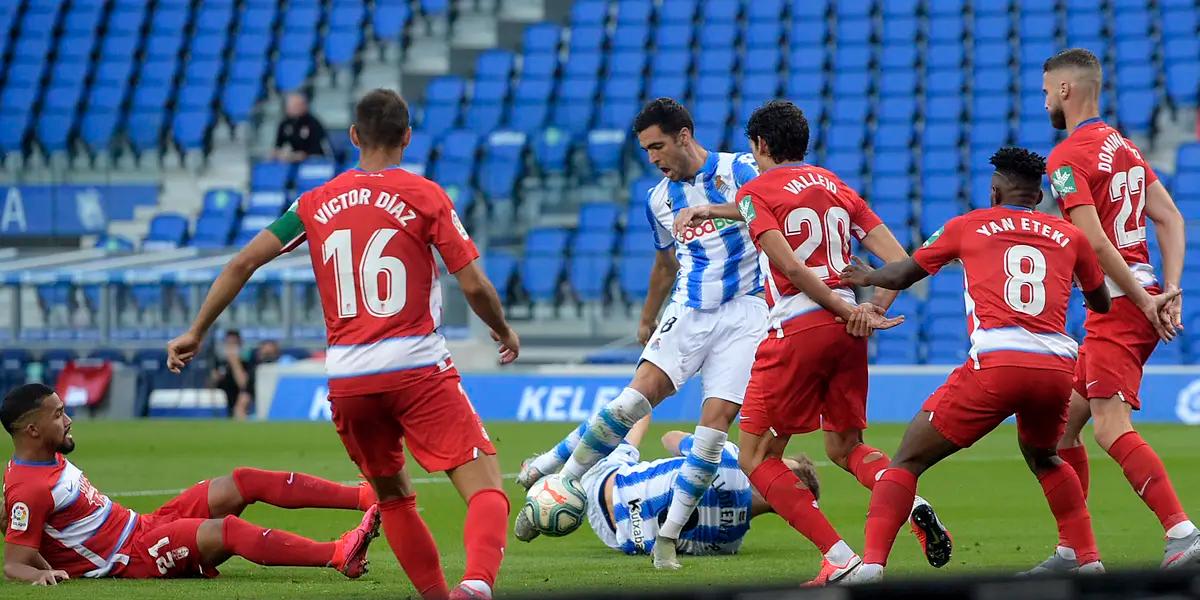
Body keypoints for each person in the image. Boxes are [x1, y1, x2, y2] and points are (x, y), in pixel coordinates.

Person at [166, 89, 519, 600]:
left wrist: (196, 331)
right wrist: (503, 330)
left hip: (349, 379)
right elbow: (473, 285)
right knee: (487, 485)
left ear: (354, 137)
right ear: (408, 138)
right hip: (416, 365)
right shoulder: (426, 195)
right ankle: (476, 586)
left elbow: (242, 262)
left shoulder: (313, 202)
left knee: (395, 499)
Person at [674, 100, 944, 585]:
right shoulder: (836, 187)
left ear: (760, 145)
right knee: (844, 448)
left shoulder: (758, 188)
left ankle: (838, 557)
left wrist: (847, 310)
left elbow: (792, 269)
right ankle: (911, 500)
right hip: (848, 332)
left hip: (798, 329)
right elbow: (902, 260)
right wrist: (868, 310)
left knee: (757, 458)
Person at [838, 147, 1114, 583]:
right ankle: (1089, 559)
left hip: (998, 361)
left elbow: (904, 273)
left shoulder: (969, 225)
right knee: (1045, 456)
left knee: (907, 459)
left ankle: (870, 568)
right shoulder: (1069, 235)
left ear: (994, 189)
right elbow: (1102, 301)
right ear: (1039, 193)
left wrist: (866, 277)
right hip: (1058, 367)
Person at [517, 97, 767, 571]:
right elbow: (664, 263)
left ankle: (667, 541)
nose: (653, 159)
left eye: (658, 147)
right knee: (634, 402)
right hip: (689, 310)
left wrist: (714, 210)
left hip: (746, 312)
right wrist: (647, 317)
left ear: (684, 137)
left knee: (711, 434)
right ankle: (559, 476)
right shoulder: (658, 199)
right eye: (647, 151)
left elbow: (769, 208)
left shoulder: (741, 169)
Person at [1035, 48, 1197, 572]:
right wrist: (1168, 288)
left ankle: (1182, 534)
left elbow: (1096, 242)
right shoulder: (1125, 147)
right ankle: (1073, 551)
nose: (1043, 102)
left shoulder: (1065, 159)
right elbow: (1171, 218)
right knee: (1062, 428)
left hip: (1122, 304)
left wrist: (1145, 298)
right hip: (1141, 295)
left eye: (1044, 92)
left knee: (1108, 426)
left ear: (1064, 89)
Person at [1, 384, 379, 585]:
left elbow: (19, 524)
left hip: (143, 525)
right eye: (58, 414)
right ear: (32, 429)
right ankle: (337, 554)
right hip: (132, 557)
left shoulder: (40, 460)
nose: (68, 419)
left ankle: (366, 496)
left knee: (242, 481)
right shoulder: (31, 487)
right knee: (224, 531)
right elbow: (14, 563)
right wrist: (42, 572)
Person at [518, 416, 820, 558]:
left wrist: (696, 454)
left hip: (608, 481)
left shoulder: (729, 459)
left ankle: (542, 474)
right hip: (618, 535)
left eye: (780, 464)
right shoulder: (729, 546)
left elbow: (670, 437)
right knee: (630, 443)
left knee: (624, 414)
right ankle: (543, 506)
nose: (771, 462)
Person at [210, 330, 253, 420]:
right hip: (221, 401)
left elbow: (244, 384)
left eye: (234, 343)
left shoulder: (246, 362)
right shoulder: (219, 361)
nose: (231, 347)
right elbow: (209, 385)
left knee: (244, 398)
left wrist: (234, 361)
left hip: (239, 400)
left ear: (240, 344)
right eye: (229, 343)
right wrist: (215, 377)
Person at [273, 93, 329, 162]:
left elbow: (317, 150)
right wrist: (278, 153)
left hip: (312, 162)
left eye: (295, 106)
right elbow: (278, 145)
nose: (290, 108)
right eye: (290, 106)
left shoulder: (313, 123)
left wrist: (302, 155)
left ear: (304, 106)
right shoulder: (284, 123)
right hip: (292, 159)